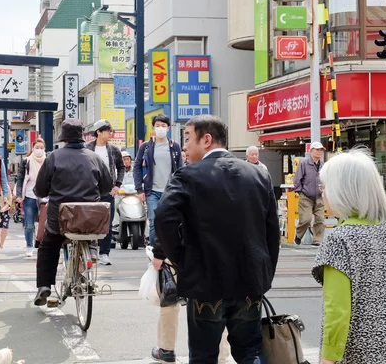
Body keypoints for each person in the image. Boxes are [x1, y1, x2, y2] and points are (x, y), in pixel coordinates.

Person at [154, 115, 280, 364]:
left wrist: (182, 260)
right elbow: (272, 233)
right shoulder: (258, 175)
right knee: (250, 351)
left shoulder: (188, 176)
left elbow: (163, 217)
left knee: (204, 356)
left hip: (206, 283)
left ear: (207, 139)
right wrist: (263, 274)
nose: (185, 146)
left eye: (188, 138)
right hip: (249, 281)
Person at [312, 149, 386, 364]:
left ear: (342, 191)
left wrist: (327, 359)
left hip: (357, 354)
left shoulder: (340, 239)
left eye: (325, 186)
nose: (322, 193)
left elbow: (337, 311)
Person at [33, 119, 112, 306]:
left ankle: (44, 286)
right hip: (90, 217)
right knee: (89, 236)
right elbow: (107, 186)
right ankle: (88, 258)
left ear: (64, 139)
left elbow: (41, 189)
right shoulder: (94, 158)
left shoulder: (54, 157)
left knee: (48, 247)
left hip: (62, 218)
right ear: (82, 137)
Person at [133, 114, 183, 245]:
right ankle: (154, 253)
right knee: (154, 221)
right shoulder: (146, 147)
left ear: (168, 128)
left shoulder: (174, 147)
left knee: (170, 222)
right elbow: (137, 167)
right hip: (152, 191)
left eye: (163, 126)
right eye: (157, 126)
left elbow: (180, 169)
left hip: (170, 191)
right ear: (153, 128)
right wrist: (139, 189)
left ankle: (167, 254)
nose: (160, 128)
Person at [85, 119, 124, 265]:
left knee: (107, 224)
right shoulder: (87, 148)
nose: (110, 133)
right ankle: (90, 251)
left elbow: (121, 167)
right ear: (98, 132)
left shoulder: (114, 149)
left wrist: (117, 185)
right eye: (107, 130)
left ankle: (104, 253)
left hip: (108, 191)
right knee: (90, 223)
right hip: (90, 191)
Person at [16, 138, 47, 257]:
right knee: (29, 224)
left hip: (45, 197)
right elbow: (20, 178)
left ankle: (43, 245)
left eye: (41, 148)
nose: (39, 150)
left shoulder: (48, 160)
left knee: (45, 223)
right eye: (37, 147)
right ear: (33, 148)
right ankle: (29, 246)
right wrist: (19, 195)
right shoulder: (26, 161)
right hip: (29, 196)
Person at [293, 141, 326, 246]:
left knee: (320, 219)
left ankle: (317, 240)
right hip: (306, 196)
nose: (319, 152)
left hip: (320, 196)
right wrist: (300, 192)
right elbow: (297, 179)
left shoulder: (323, 165)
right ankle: (298, 235)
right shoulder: (304, 164)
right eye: (317, 150)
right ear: (311, 151)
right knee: (306, 219)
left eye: (321, 150)